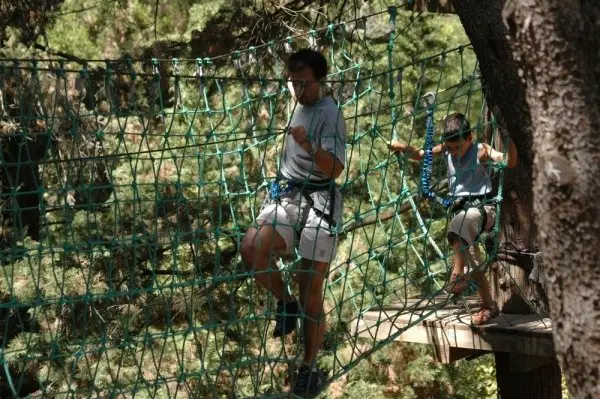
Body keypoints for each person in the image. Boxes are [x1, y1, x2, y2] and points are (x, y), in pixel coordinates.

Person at [240, 48, 346, 398]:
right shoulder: (296, 93)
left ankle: (308, 367)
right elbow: (292, 79)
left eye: (305, 83)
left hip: (320, 201)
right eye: (294, 82)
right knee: (252, 249)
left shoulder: (330, 114)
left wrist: (310, 145)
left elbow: (335, 170)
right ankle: (285, 303)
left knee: (310, 288)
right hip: (286, 197)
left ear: (320, 81)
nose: (298, 89)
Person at [390, 112, 517, 325]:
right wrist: (403, 148)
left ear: (469, 138)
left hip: (483, 209)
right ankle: (489, 306)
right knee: (471, 259)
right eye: (450, 147)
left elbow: (507, 162)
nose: (455, 152)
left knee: (457, 227)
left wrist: (509, 140)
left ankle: (457, 276)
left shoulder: (480, 150)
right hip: (461, 212)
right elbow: (421, 154)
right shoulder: (447, 150)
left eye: (459, 146)